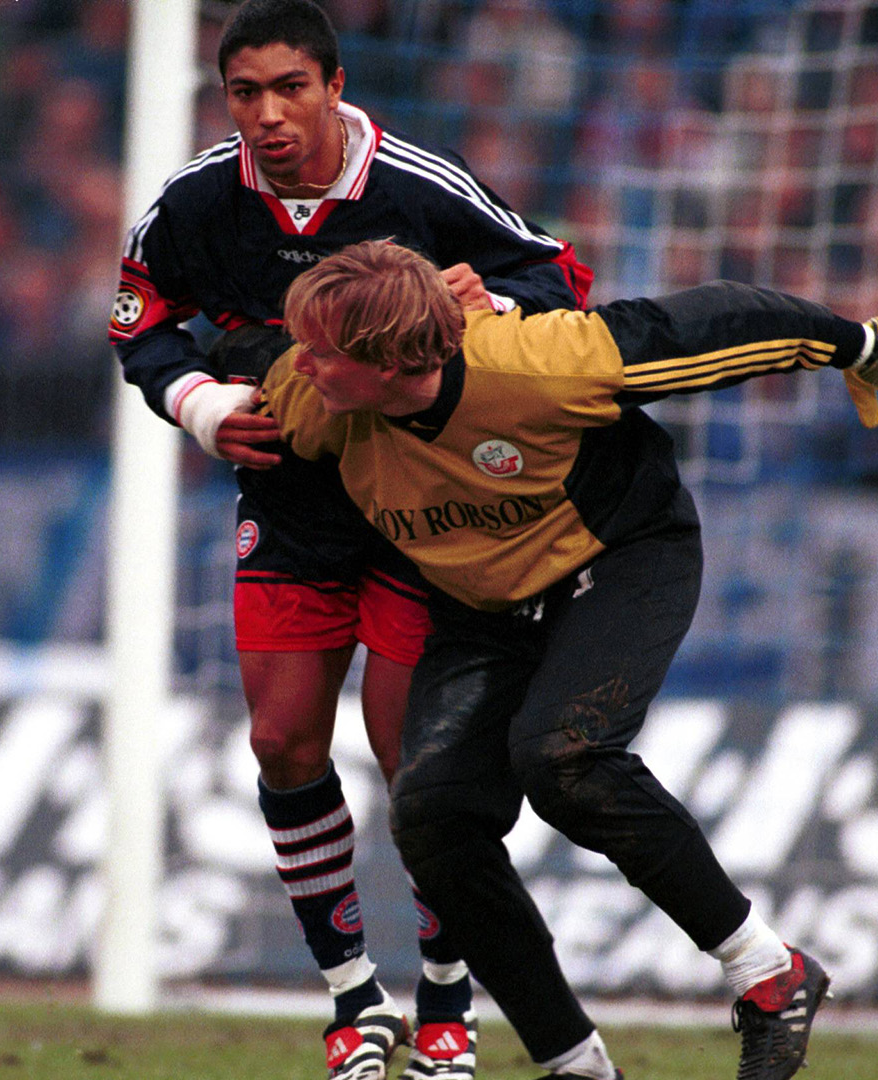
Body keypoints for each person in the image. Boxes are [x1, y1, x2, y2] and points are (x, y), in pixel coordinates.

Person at [256, 240, 878, 1080]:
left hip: (622, 557)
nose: (305, 363)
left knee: (565, 756)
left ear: (396, 358)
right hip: (481, 611)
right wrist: (192, 400)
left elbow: (711, 324)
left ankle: (768, 973)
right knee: (431, 818)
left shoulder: (538, 363)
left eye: (326, 349)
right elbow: (220, 360)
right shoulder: (311, 394)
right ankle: (576, 1065)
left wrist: (858, 345)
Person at [109, 4, 591, 1078]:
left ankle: (447, 1004)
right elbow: (140, 318)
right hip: (290, 506)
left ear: (333, 85)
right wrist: (195, 401)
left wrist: (492, 299)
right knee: (282, 742)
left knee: (416, 765)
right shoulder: (195, 203)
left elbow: (559, 277)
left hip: (421, 512)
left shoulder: (420, 185)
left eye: (290, 89)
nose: (269, 117)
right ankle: (351, 1006)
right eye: (245, 94)